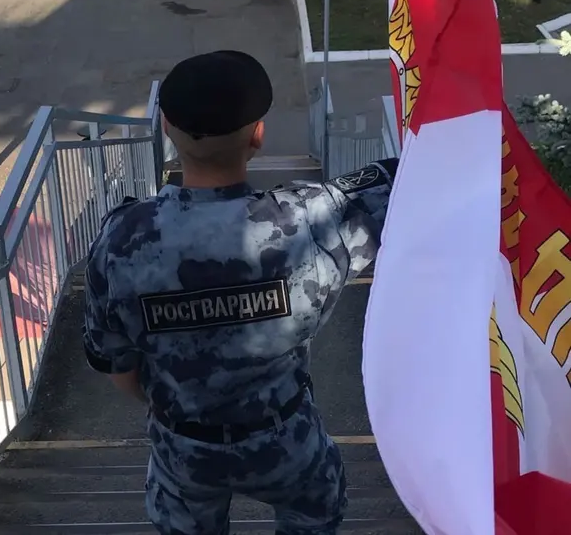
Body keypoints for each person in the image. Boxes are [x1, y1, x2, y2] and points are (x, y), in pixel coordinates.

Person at [83, 50, 398, 535]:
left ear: (166, 127)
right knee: (314, 516)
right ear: (258, 135)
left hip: (183, 447)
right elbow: (401, 181)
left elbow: (118, 368)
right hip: (286, 441)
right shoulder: (307, 223)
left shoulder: (121, 241)